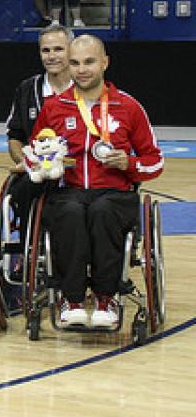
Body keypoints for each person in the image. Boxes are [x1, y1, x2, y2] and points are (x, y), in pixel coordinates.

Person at [30, 35, 163, 328]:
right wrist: (45, 163)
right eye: (75, 63)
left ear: (105, 63)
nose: (81, 70)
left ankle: (106, 298)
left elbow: (155, 161)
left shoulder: (128, 106)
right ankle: (72, 299)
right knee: (71, 212)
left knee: (102, 211)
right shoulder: (55, 107)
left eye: (89, 62)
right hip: (69, 192)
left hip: (114, 193)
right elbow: (33, 152)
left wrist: (128, 163)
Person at [3, 25, 73, 233]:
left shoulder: (85, 89)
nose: (51, 56)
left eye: (58, 49)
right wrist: (24, 162)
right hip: (38, 172)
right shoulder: (27, 89)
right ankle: (28, 252)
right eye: (46, 50)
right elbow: (15, 137)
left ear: (72, 50)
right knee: (23, 190)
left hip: (75, 172)